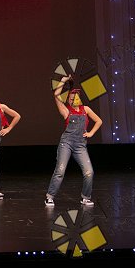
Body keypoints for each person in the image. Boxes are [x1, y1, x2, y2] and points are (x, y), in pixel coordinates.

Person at [45, 75, 102, 207]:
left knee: (89, 172)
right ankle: (50, 196)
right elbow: (56, 95)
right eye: (70, 99)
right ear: (68, 100)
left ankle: (85, 197)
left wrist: (91, 133)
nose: (73, 100)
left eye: (75, 98)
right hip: (66, 143)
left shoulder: (86, 109)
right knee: (60, 171)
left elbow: (99, 121)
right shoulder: (66, 111)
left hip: (80, 145)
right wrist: (63, 81)